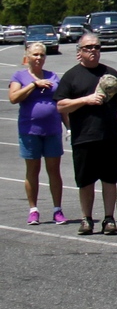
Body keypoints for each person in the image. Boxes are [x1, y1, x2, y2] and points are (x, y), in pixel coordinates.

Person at [56, 32, 117, 234]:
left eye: (96, 47)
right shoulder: (72, 76)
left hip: (108, 136)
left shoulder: (110, 73)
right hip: (83, 137)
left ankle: (109, 219)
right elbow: (61, 105)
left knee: (109, 179)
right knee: (85, 181)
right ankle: (87, 219)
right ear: (79, 51)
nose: (93, 51)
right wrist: (85, 100)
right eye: (88, 48)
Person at [12, 41, 66, 225]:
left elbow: (60, 103)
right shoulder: (19, 76)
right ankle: (33, 210)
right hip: (30, 130)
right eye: (35, 54)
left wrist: (69, 127)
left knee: (54, 170)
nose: (38, 58)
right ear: (27, 56)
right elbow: (13, 98)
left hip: (52, 129)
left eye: (42, 55)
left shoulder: (53, 76)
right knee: (33, 170)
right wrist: (33, 85)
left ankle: (57, 210)